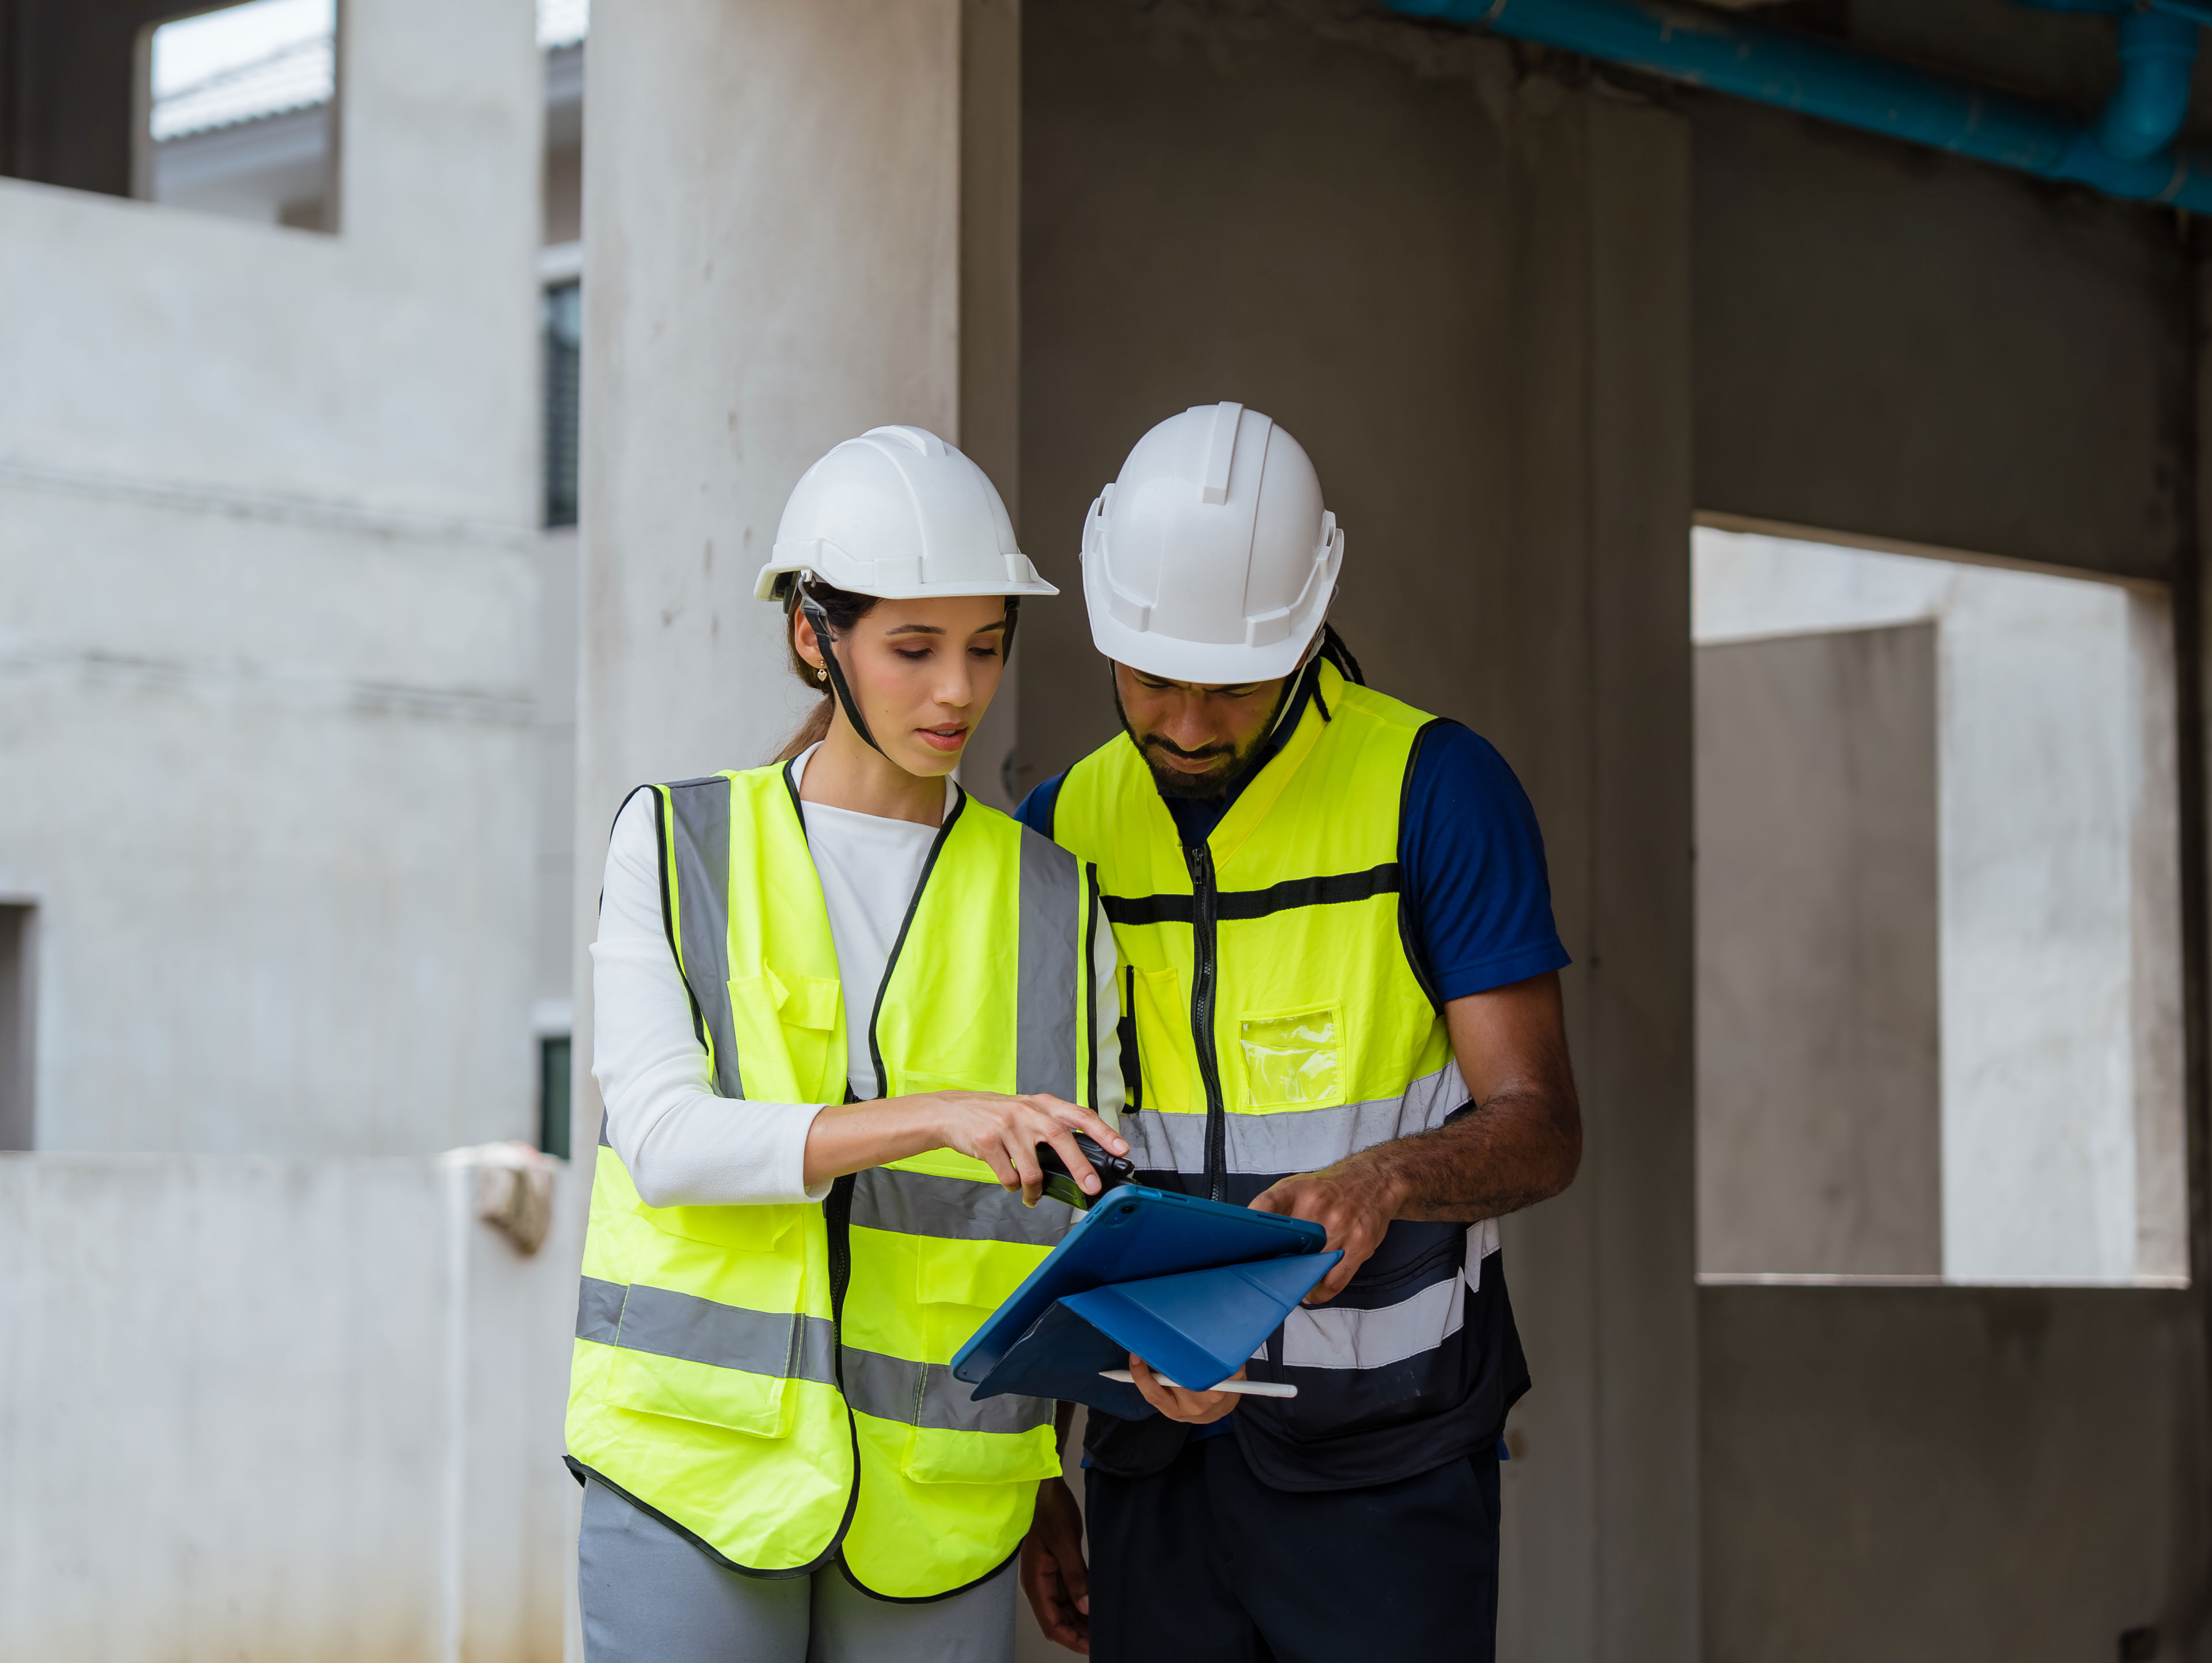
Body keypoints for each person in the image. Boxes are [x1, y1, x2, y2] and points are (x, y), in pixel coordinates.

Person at [1015, 403, 1580, 1661]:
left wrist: (1386, 1179)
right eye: (1155, 678)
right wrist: (1033, 1471)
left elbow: (1542, 1127)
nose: (1190, 723)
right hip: (1152, 1457)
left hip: (1393, 1455)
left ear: (1310, 626)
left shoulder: (1436, 792)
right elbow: (1052, 1176)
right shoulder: (1061, 827)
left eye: (1233, 684)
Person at [567, 425, 1127, 1663]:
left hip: (944, 1492)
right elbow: (665, 1140)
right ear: (814, 639)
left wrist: (1048, 1469)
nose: (959, 692)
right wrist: (939, 1113)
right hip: (697, 1470)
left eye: (985, 647)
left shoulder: (1058, 903)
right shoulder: (673, 846)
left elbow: (1070, 1221)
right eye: (913, 649)